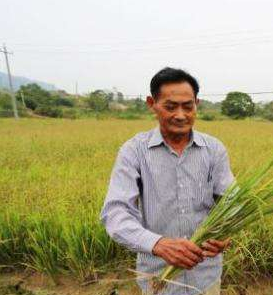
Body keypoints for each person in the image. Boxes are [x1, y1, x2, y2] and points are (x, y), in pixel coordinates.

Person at [100, 67, 234, 295]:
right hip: (157, 280)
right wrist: (158, 244)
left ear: (197, 104)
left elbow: (232, 202)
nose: (181, 115)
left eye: (188, 106)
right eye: (170, 107)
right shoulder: (134, 151)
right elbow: (115, 213)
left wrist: (225, 235)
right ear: (152, 104)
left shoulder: (214, 150)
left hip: (206, 277)